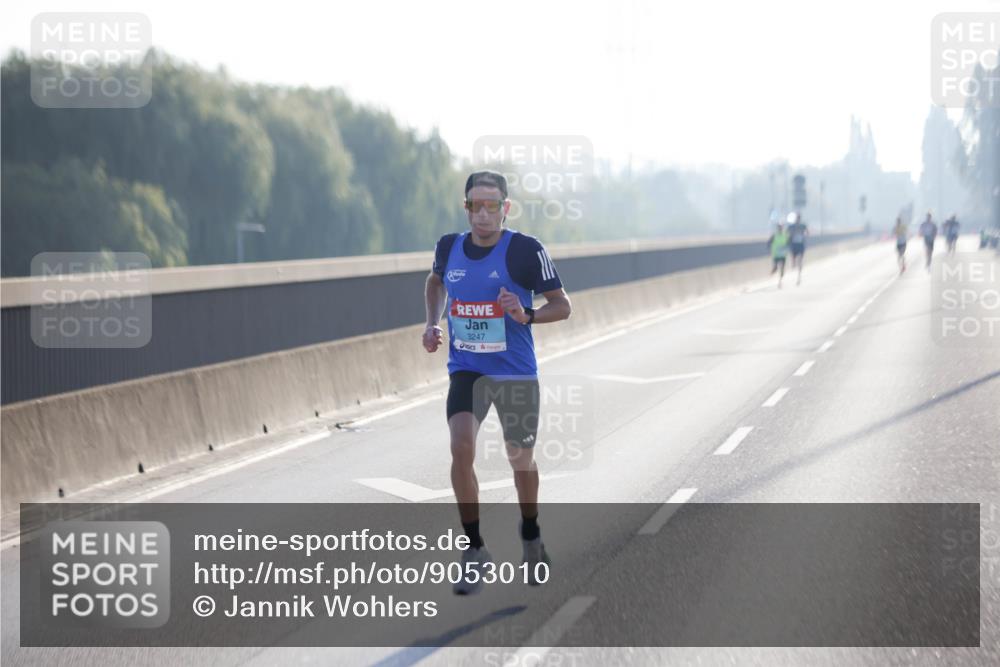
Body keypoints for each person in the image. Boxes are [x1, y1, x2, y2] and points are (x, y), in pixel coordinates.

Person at [423, 170, 572, 595]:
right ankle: (473, 550)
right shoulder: (449, 247)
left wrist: (526, 315)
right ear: (465, 207)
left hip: (515, 371)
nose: (483, 214)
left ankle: (531, 534)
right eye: (475, 205)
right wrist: (432, 324)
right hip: (467, 368)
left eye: (492, 206)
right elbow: (435, 281)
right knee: (460, 446)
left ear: (505, 208)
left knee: (520, 457)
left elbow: (562, 306)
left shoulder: (525, 251)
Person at [786, 212, 809, 286]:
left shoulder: (803, 225)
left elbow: (807, 232)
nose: (798, 219)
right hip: (794, 244)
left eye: (799, 218)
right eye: (797, 218)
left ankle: (799, 276)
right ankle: (793, 263)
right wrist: (790, 236)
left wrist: (804, 235)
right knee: (793, 258)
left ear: (800, 218)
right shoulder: (791, 226)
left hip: (800, 244)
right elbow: (786, 232)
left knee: (800, 260)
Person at [767, 221, 790, 288]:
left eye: (781, 227)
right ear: (777, 228)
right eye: (779, 227)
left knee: (782, 269)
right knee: (775, 268)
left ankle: (780, 282)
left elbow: (788, 243)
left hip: (783, 254)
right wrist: (769, 247)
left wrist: (786, 247)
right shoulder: (774, 235)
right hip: (776, 254)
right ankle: (771, 275)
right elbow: (769, 242)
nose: (780, 228)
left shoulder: (785, 235)